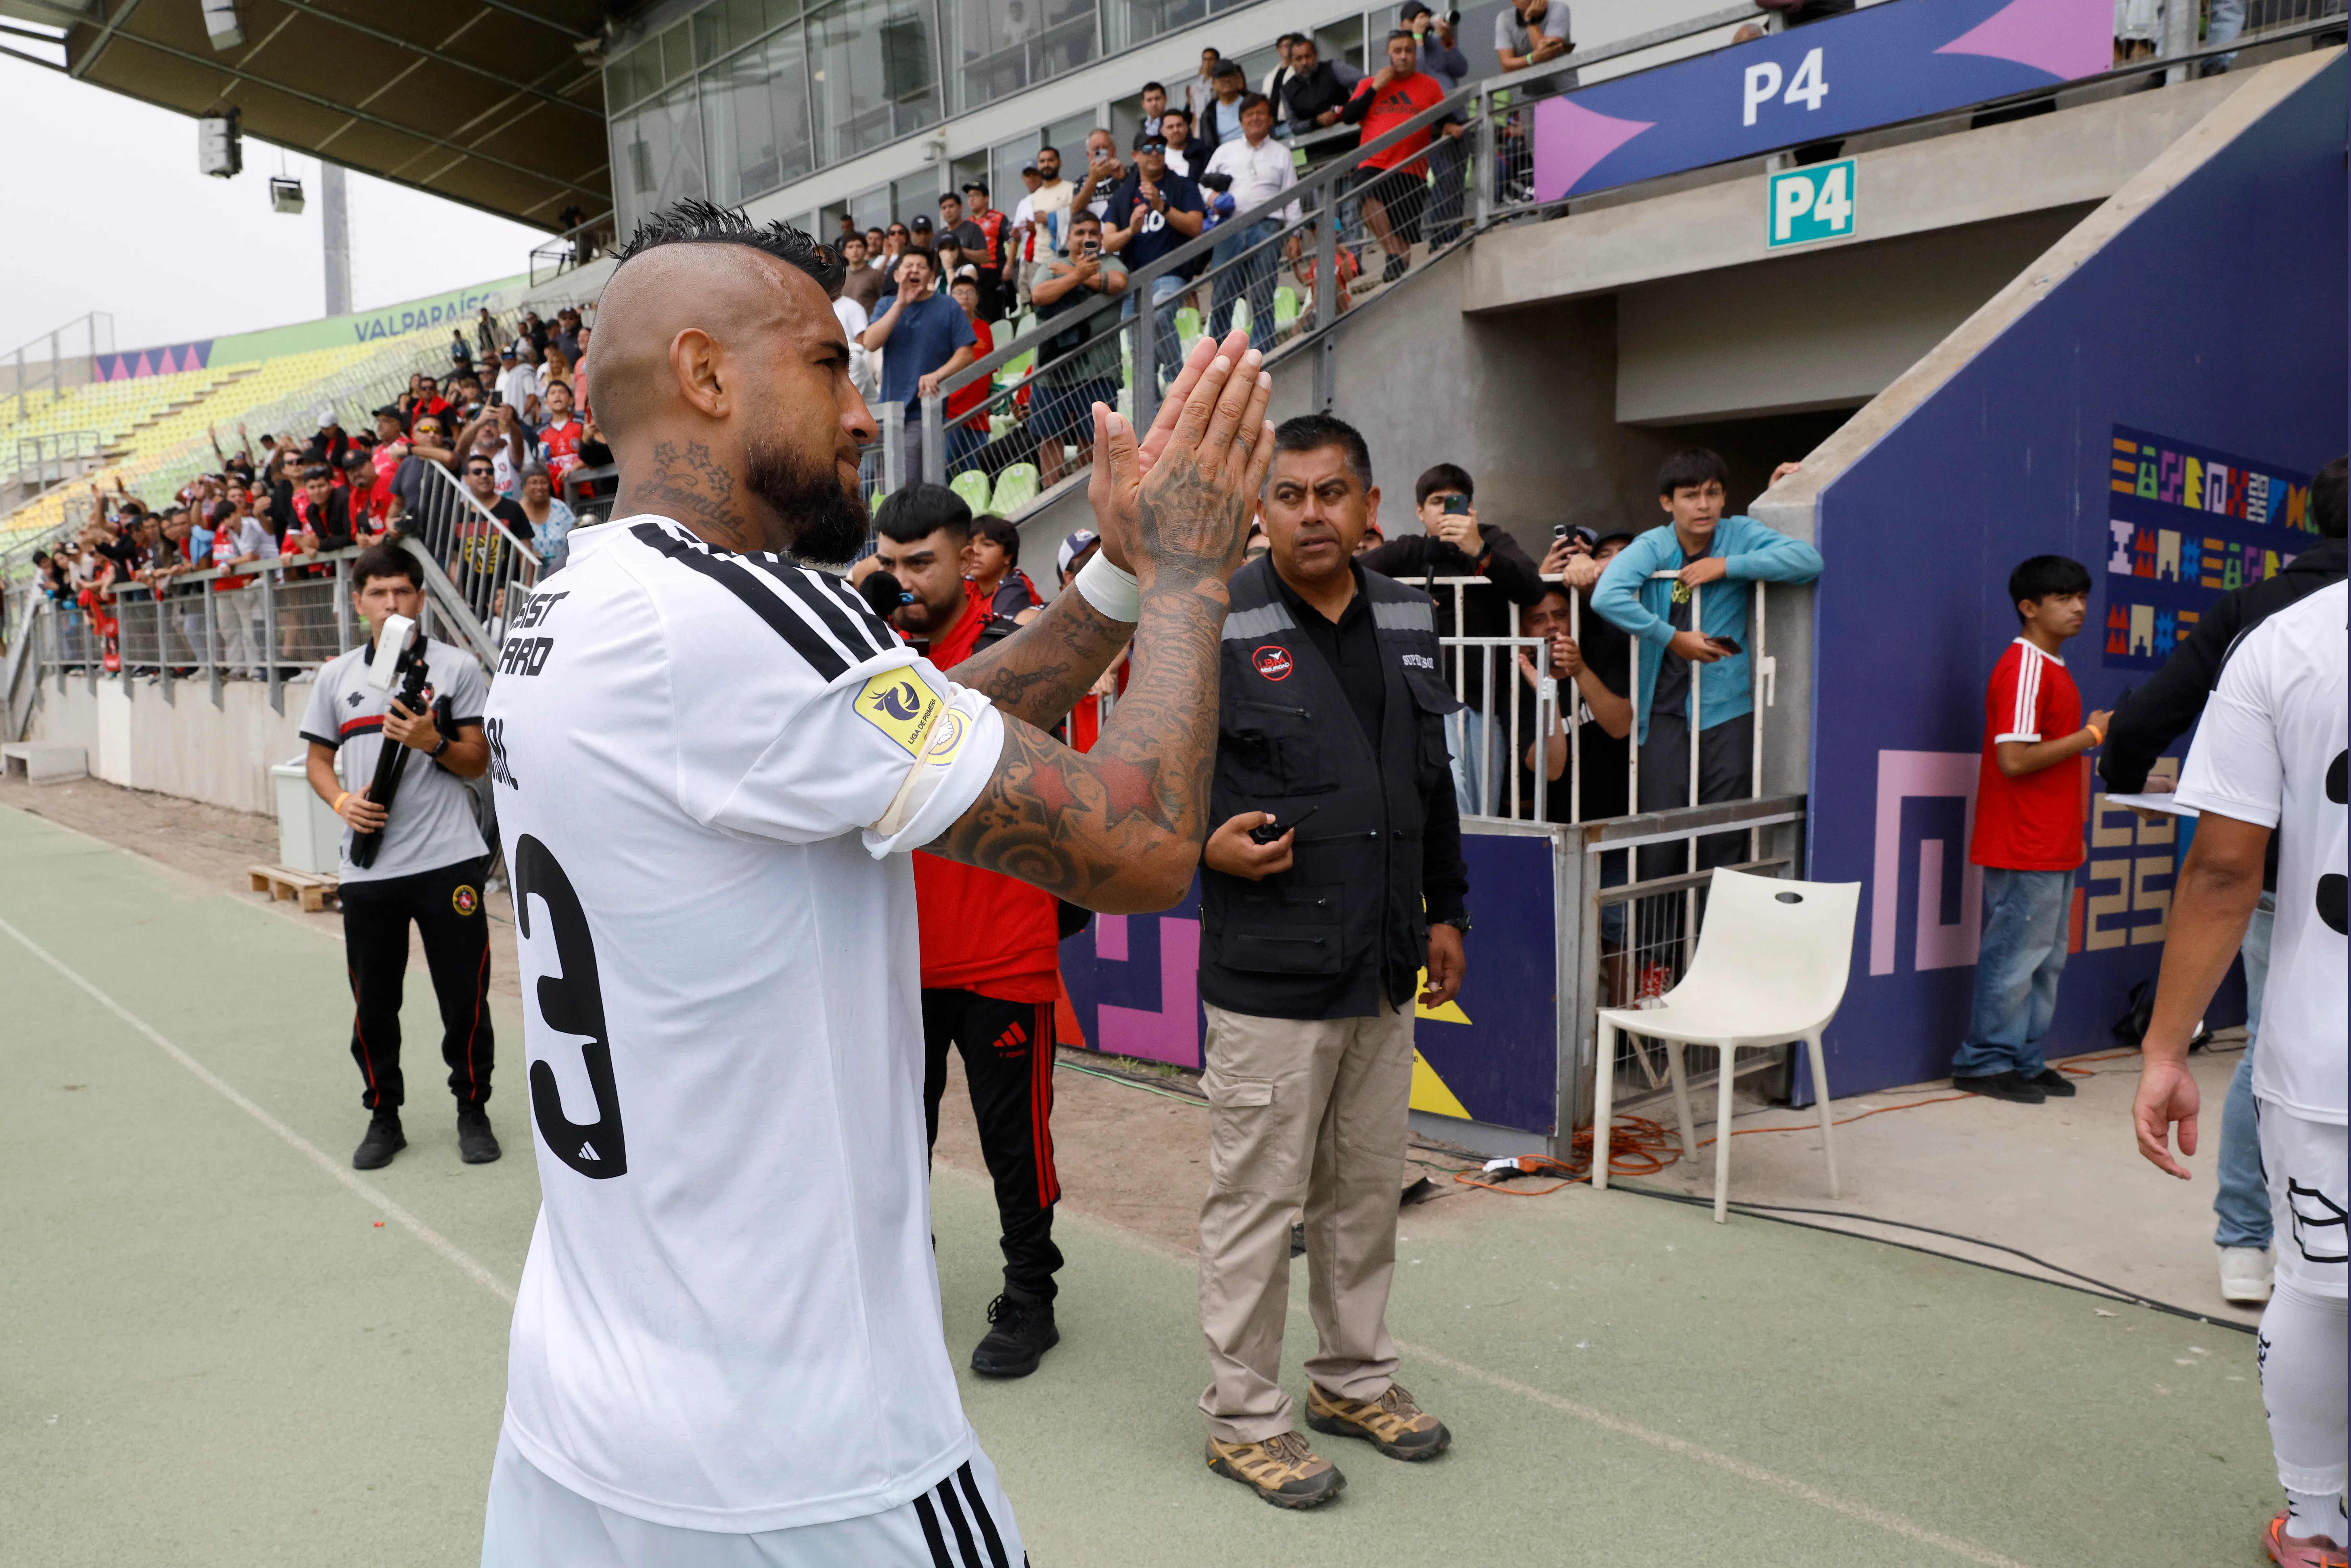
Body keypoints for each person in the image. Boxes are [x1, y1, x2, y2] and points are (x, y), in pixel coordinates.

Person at [473, 197, 1274, 1567]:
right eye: (831, 365)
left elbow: (904, 732)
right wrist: (1199, 571)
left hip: (584, 1409)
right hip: (803, 1444)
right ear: (707, 374)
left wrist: (1121, 590)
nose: (861, 415)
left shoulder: (568, 608)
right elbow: (1139, 841)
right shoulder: (741, 612)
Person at [1195, 412, 1467, 1509]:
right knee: (1257, 1202)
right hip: (1268, 973)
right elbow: (1153, 777)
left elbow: (1431, 776)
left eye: (1331, 492)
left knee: (1360, 1194)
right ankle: (1241, 1417)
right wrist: (1193, 847)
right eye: (1289, 494)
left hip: (1382, 961)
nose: (1311, 512)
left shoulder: (1407, 610)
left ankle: (1352, 1379)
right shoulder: (1210, 619)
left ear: (1367, 506)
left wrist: (1444, 908)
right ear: (1258, 511)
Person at [2130, 578, 2345, 1568]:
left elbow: (2224, 868)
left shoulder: (2288, 643)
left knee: (2317, 1284)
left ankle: (2316, 1527)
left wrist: (2167, 1048)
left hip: (2328, 1046)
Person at [2102, 455, 2346, 1303]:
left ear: (2313, 518)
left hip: (2278, 884)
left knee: (2268, 1050)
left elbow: (2141, 721)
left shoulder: (2261, 614)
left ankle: (2248, 1241)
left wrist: (2127, 775)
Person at [870, 485, 1070, 1377]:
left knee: (1012, 1139)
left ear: (969, 559)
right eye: (892, 562)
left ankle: (1031, 1295)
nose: (905, 579)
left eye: (923, 562)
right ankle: (903, 1282)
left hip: (1000, 943)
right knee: (894, 1133)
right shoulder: (876, 645)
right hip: (900, 949)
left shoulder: (1010, 646)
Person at [298, 544, 497, 1170]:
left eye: (403, 592)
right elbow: (317, 761)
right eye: (379, 594)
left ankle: (473, 1110)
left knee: (464, 997)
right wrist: (340, 805)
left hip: (449, 864)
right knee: (375, 1002)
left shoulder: (458, 668)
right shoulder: (336, 678)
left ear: (421, 598)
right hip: (369, 870)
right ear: (358, 602)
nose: (392, 604)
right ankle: (385, 1117)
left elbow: (477, 762)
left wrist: (431, 740)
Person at [1590, 449, 1822, 979]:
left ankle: (1719, 971)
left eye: (1714, 492)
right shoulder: (1653, 544)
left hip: (1729, 708)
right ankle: (1655, 977)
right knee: (1659, 846)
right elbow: (1608, 595)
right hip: (1664, 713)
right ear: (1667, 502)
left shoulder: (1739, 534)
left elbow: (1808, 562)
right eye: (1691, 495)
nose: (1704, 504)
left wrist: (1728, 566)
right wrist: (1671, 638)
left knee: (1726, 841)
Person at [1946, 555, 2112, 1104]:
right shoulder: (2024, 667)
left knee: (2043, 959)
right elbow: (2013, 761)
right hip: (2022, 841)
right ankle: (1982, 1060)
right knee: (2016, 956)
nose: (2078, 608)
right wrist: (2091, 736)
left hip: (2052, 841)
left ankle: (2021, 1057)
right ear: (2028, 607)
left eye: (2081, 597)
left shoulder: (2050, 667)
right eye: (2064, 598)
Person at [1359, 462, 1546, 815]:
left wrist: (1479, 549)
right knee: (1451, 797)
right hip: (1425, 700)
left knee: (1481, 808)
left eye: (1456, 503)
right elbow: (1350, 575)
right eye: (1437, 502)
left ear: (1471, 510)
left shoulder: (1491, 539)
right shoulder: (1412, 550)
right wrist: (1402, 602)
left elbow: (1532, 587)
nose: (1447, 511)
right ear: (1419, 511)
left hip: (1483, 703)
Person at [1339, 30, 1463, 283]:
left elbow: (1445, 116)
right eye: (1397, 51)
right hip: (1374, 162)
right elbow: (1349, 116)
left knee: (1406, 244)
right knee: (1366, 193)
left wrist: (1450, 125)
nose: (1403, 56)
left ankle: (1398, 263)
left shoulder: (1429, 85)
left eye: (1408, 50)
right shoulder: (1369, 84)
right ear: (1388, 54)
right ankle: (1392, 255)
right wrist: (1375, 88)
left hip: (1411, 169)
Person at [860, 247, 977, 484]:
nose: (914, 271)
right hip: (888, 412)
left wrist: (937, 375)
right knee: (886, 489)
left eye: (921, 267)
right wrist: (901, 304)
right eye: (908, 266)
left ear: (931, 276)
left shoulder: (948, 306)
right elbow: (871, 343)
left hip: (922, 411)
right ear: (897, 275)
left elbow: (966, 353)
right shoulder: (886, 305)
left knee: (907, 484)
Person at [1029, 210, 1128, 488]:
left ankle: (1088, 494)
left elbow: (1118, 283)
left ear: (1101, 237)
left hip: (1098, 371)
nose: (1087, 238)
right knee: (1050, 437)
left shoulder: (1112, 263)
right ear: (1069, 237)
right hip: (1052, 371)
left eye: (1093, 233)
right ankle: (1050, 494)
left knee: (1094, 439)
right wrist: (1081, 275)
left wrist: (1074, 274)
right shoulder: (1050, 266)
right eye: (1080, 233)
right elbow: (1039, 295)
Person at [1104, 128, 1206, 386]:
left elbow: (1196, 227)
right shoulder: (1124, 195)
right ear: (1135, 156)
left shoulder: (1182, 185)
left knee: (1159, 316)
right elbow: (1107, 242)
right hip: (1135, 283)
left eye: (1160, 148)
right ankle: (1149, 411)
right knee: (1139, 347)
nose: (1155, 154)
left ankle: (1179, 380)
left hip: (1171, 274)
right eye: (1148, 149)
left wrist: (1163, 207)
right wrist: (1131, 230)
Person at [1203, 93, 1298, 353]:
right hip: (1229, 229)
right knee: (1223, 295)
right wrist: (1212, 197)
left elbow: (1292, 197)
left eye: (1260, 113)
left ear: (1269, 119)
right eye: (1249, 115)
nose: (1255, 118)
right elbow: (1203, 186)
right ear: (1241, 121)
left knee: (1262, 292)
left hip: (1266, 228)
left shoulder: (1282, 154)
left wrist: (1294, 234)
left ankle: (1263, 350)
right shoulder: (1225, 151)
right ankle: (1216, 353)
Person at [1400, 2, 1472, 243]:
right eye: (1418, 18)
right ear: (1405, 24)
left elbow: (1461, 68)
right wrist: (1417, 38)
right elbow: (1416, 76)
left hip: (1459, 117)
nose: (1425, 21)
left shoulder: (1435, 43)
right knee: (1444, 180)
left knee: (1457, 181)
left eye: (1427, 17)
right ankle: (1440, 238)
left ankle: (1454, 233)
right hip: (1434, 125)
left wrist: (1448, 40)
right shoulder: (1405, 50)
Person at [964, 513, 1040, 619]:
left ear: (1008, 556)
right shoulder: (967, 585)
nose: (975, 551)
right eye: (970, 544)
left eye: (987, 544)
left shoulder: (1014, 590)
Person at [1282, 36, 1364, 134]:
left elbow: (1365, 83)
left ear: (1316, 55)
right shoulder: (1287, 90)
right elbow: (1294, 126)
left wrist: (1351, 109)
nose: (1304, 62)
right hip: (1316, 147)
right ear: (1291, 62)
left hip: (1350, 136)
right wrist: (1317, 121)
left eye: (1308, 56)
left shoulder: (1333, 68)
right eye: (1299, 59)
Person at [1496, 0, 1573, 83]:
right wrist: (1532, 58)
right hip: (1531, 93)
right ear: (1514, 2)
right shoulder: (1505, 18)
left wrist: (1531, 20)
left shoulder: (1559, 8)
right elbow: (1506, 66)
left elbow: (1547, 54)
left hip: (1565, 89)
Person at [516, 463, 576, 569]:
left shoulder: (559, 507)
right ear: (524, 486)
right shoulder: (516, 511)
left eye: (544, 482)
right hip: (531, 571)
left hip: (563, 569)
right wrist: (529, 553)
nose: (540, 487)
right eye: (534, 483)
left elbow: (574, 534)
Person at [1183, 46, 1222, 120]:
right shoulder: (1195, 88)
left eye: (1211, 60)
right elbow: (1194, 115)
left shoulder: (1221, 82)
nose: (1207, 63)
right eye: (1205, 60)